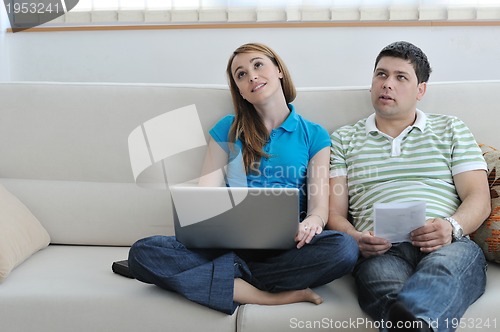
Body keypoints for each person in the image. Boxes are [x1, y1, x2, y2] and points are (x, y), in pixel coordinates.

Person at [128, 42, 359, 315]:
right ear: (239, 90)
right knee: (142, 252)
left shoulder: (314, 134)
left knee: (344, 249)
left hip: (286, 248)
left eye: (258, 65)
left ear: (279, 70)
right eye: (241, 74)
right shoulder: (227, 128)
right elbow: (206, 198)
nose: (251, 76)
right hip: (227, 246)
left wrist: (312, 223)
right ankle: (266, 295)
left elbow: (319, 207)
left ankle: (226, 282)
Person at [328, 41, 490, 332]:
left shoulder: (451, 128)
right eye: (381, 74)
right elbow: (334, 214)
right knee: (383, 284)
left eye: (400, 77)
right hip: (381, 251)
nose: (387, 84)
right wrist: (355, 237)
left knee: (443, 271)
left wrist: (451, 226)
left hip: (446, 242)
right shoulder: (342, 139)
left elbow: (478, 197)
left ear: (420, 90)